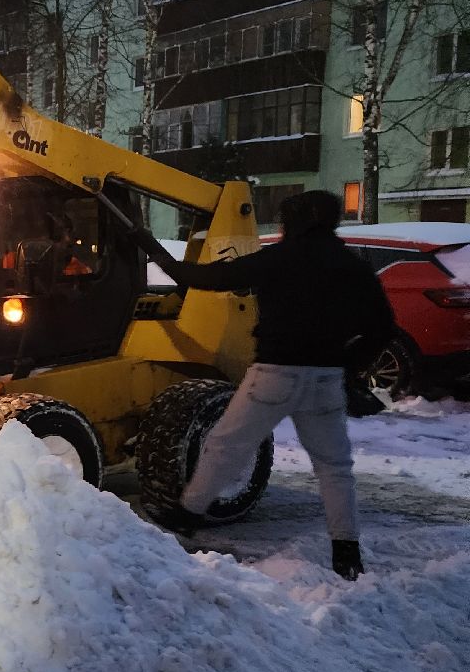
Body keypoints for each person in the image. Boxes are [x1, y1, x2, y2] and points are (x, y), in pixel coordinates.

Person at [132, 190, 394, 581]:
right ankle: (346, 550)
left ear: (295, 220)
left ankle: (186, 514)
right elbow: (384, 327)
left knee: (226, 445)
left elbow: (203, 278)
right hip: (325, 381)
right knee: (335, 468)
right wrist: (349, 365)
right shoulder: (353, 266)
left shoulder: (278, 258)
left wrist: (150, 245)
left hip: (274, 375)